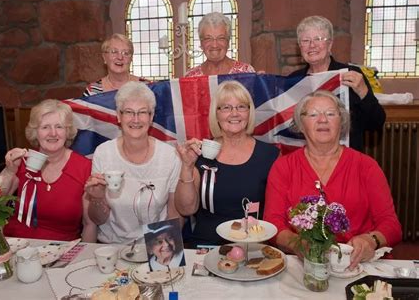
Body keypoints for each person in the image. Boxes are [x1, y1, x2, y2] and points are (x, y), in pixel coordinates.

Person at [263, 90, 402, 270]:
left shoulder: (366, 166)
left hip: (359, 265)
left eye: (330, 113)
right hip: (304, 264)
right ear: (301, 124)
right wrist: (297, 243)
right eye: (313, 114)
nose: (323, 120)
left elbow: (391, 224)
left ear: (341, 121)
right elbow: (273, 224)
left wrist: (372, 239)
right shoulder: (283, 167)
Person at [175, 80, 279, 246]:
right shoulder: (200, 153)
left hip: (252, 246)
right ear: (216, 114)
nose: (234, 113)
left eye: (241, 107)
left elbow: (277, 213)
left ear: (249, 112)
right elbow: (186, 209)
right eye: (226, 107)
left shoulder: (270, 155)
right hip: (206, 246)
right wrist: (187, 166)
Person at [84, 81, 182, 244]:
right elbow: (98, 219)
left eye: (142, 112)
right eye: (129, 112)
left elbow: (173, 214)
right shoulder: (104, 153)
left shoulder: (170, 155)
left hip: (156, 246)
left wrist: (163, 260)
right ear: (118, 116)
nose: (135, 119)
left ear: (151, 117)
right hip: (111, 246)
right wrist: (97, 198)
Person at [1, 99, 94, 241]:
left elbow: (90, 224)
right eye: (45, 127)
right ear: (35, 132)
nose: (53, 133)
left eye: (59, 127)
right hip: (17, 245)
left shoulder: (84, 167)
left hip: (61, 251)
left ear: (67, 131)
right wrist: (9, 171)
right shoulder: (22, 160)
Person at [289, 15, 385, 152]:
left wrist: (364, 92)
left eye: (318, 39)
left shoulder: (351, 74)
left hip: (346, 160)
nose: (312, 45)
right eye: (305, 40)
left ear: (330, 44)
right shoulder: (294, 80)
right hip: (307, 159)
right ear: (300, 47)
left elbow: (376, 123)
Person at [185, 12, 255, 77]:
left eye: (221, 38)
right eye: (208, 38)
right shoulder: (191, 76)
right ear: (201, 43)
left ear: (228, 42)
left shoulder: (246, 73)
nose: (214, 45)